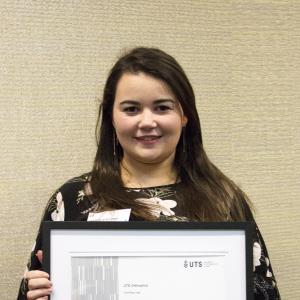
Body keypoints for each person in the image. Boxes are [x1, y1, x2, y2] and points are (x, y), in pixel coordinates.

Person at [17, 47, 281, 300]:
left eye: (162, 107)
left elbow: (264, 292)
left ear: (184, 115)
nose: (146, 122)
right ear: (111, 116)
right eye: (131, 109)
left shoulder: (222, 198)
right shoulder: (72, 198)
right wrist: (39, 295)